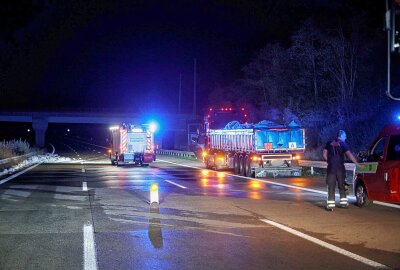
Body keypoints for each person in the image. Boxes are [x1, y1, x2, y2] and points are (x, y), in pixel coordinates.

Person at [323, 130, 362, 211]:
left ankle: (330, 205)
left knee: (331, 186)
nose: (346, 137)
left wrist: (329, 161)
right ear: (341, 136)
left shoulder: (329, 143)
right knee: (343, 185)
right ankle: (344, 203)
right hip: (340, 168)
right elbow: (349, 154)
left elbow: (324, 154)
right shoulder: (344, 144)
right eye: (345, 136)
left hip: (331, 168)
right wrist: (357, 163)